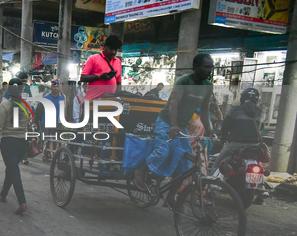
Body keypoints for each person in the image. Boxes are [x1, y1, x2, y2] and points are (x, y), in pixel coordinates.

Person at [134, 53, 215, 207]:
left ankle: (171, 196)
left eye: (211, 68)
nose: (209, 70)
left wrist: (210, 129)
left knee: (185, 162)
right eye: (206, 67)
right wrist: (173, 125)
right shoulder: (183, 81)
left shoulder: (208, 86)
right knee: (163, 151)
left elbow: (205, 110)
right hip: (166, 122)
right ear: (195, 67)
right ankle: (141, 171)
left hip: (182, 127)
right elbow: (173, 104)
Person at [0, 78, 29, 215]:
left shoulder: (4, 106)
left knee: (14, 170)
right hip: (22, 143)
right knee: (12, 169)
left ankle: (22, 202)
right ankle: (4, 194)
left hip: (8, 144)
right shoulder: (26, 105)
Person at [212, 88, 263, 170]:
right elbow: (261, 127)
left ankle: (210, 182)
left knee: (217, 165)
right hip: (254, 147)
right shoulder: (261, 112)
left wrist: (223, 138)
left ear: (242, 98)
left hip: (235, 144)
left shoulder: (234, 110)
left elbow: (225, 126)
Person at [80, 34, 122, 101]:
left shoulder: (118, 61)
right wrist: (100, 77)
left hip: (110, 102)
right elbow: (83, 78)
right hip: (92, 101)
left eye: (115, 50)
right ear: (104, 46)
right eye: (111, 49)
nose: (113, 52)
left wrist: (118, 97)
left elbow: (118, 82)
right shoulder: (93, 59)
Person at [36, 79, 64, 162]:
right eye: (54, 86)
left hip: (56, 122)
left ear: (59, 88)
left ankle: (50, 154)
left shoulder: (61, 98)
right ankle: (49, 156)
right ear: (51, 88)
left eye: (57, 86)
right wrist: (38, 122)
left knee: (54, 140)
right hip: (45, 122)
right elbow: (39, 110)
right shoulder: (46, 98)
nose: (55, 88)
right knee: (49, 139)